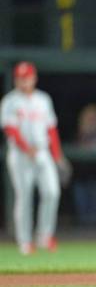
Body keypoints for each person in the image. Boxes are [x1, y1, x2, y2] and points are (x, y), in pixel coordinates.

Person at [0, 61, 64, 255]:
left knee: (52, 192)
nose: (24, 81)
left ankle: (44, 235)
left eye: (27, 77)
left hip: (42, 153)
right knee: (24, 196)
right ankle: (25, 241)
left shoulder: (43, 99)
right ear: (16, 80)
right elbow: (10, 128)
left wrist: (57, 154)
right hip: (21, 155)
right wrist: (26, 148)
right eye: (20, 78)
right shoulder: (10, 101)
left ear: (34, 78)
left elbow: (51, 129)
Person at [73, 104, 96, 226]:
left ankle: (95, 228)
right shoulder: (78, 135)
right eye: (88, 118)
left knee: (95, 213)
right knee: (83, 211)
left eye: (94, 118)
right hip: (81, 177)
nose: (91, 121)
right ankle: (83, 227)